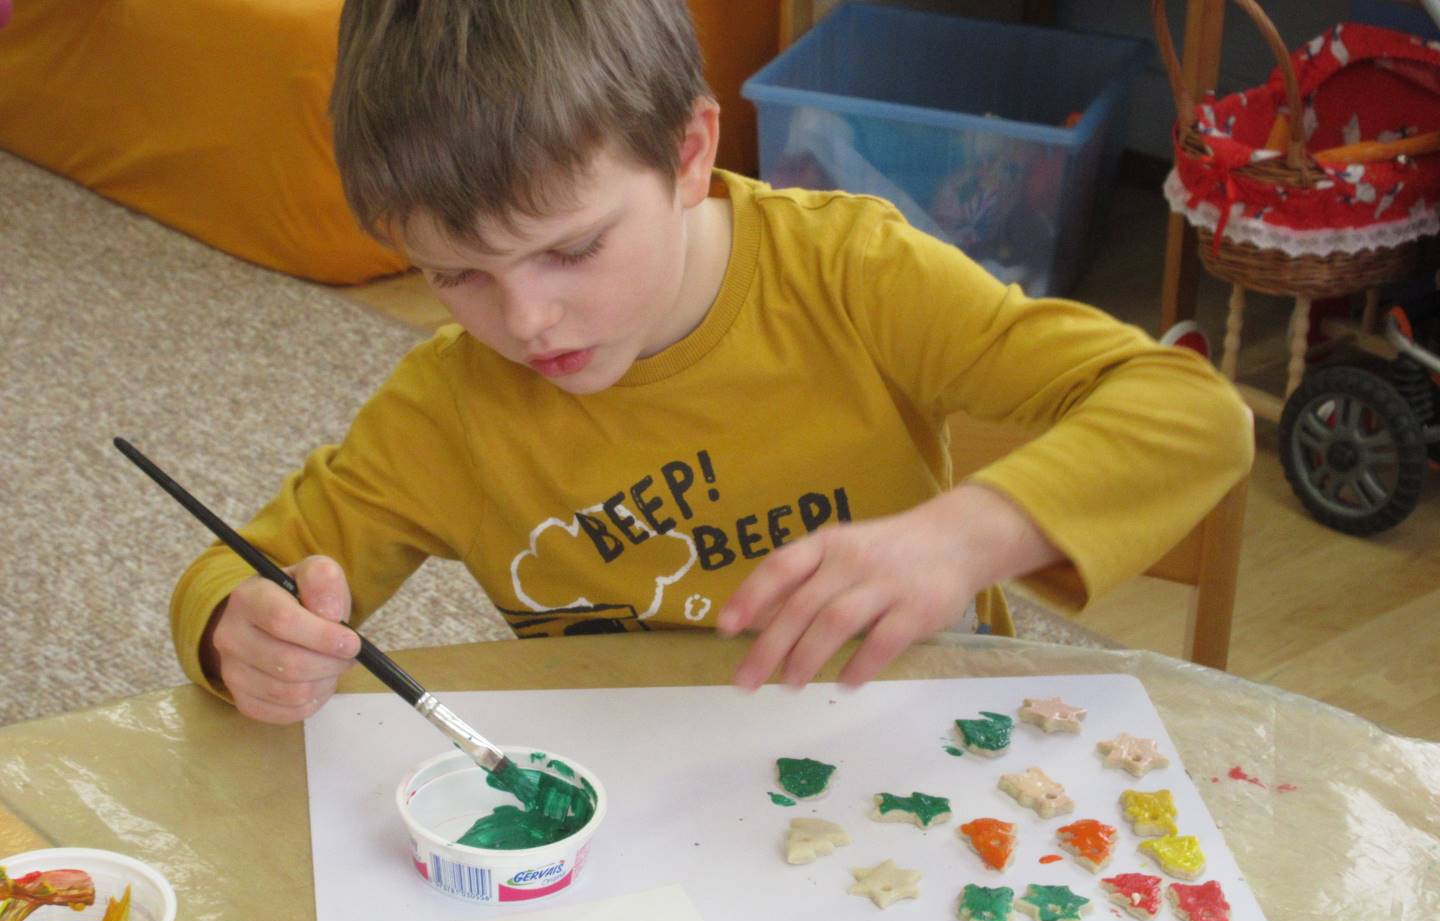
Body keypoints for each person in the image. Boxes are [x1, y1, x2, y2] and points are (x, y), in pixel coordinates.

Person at [171, 0, 1252, 724]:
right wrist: (240, 637)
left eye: (572, 250)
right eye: (457, 274)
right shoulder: (443, 414)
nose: (528, 320)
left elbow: (1194, 412)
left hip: (917, 746)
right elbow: (237, 574)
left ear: (688, 155)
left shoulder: (848, 272)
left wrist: (969, 535)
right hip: (652, 818)